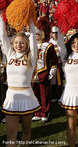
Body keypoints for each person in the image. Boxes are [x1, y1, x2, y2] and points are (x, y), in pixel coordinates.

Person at [0, 14, 40, 146]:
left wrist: (31, 22)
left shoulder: (31, 57)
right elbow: (2, 36)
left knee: (26, 132)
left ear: (26, 44)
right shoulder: (10, 54)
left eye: (22, 42)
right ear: (12, 44)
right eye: (16, 42)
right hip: (11, 96)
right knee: (11, 135)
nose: (19, 45)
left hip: (27, 97)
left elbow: (33, 38)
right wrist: (2, 18)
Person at [32, 28, 58, 122]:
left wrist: (53, 68)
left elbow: (53, 59)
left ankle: (45, 112)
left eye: (38, 34)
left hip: (43, 72)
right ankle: (37, 112)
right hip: (32, 73)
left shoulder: (47, 45)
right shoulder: (30, 44)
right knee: (35, 93)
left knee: (44, 93)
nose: (36, 36)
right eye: (35, 34)